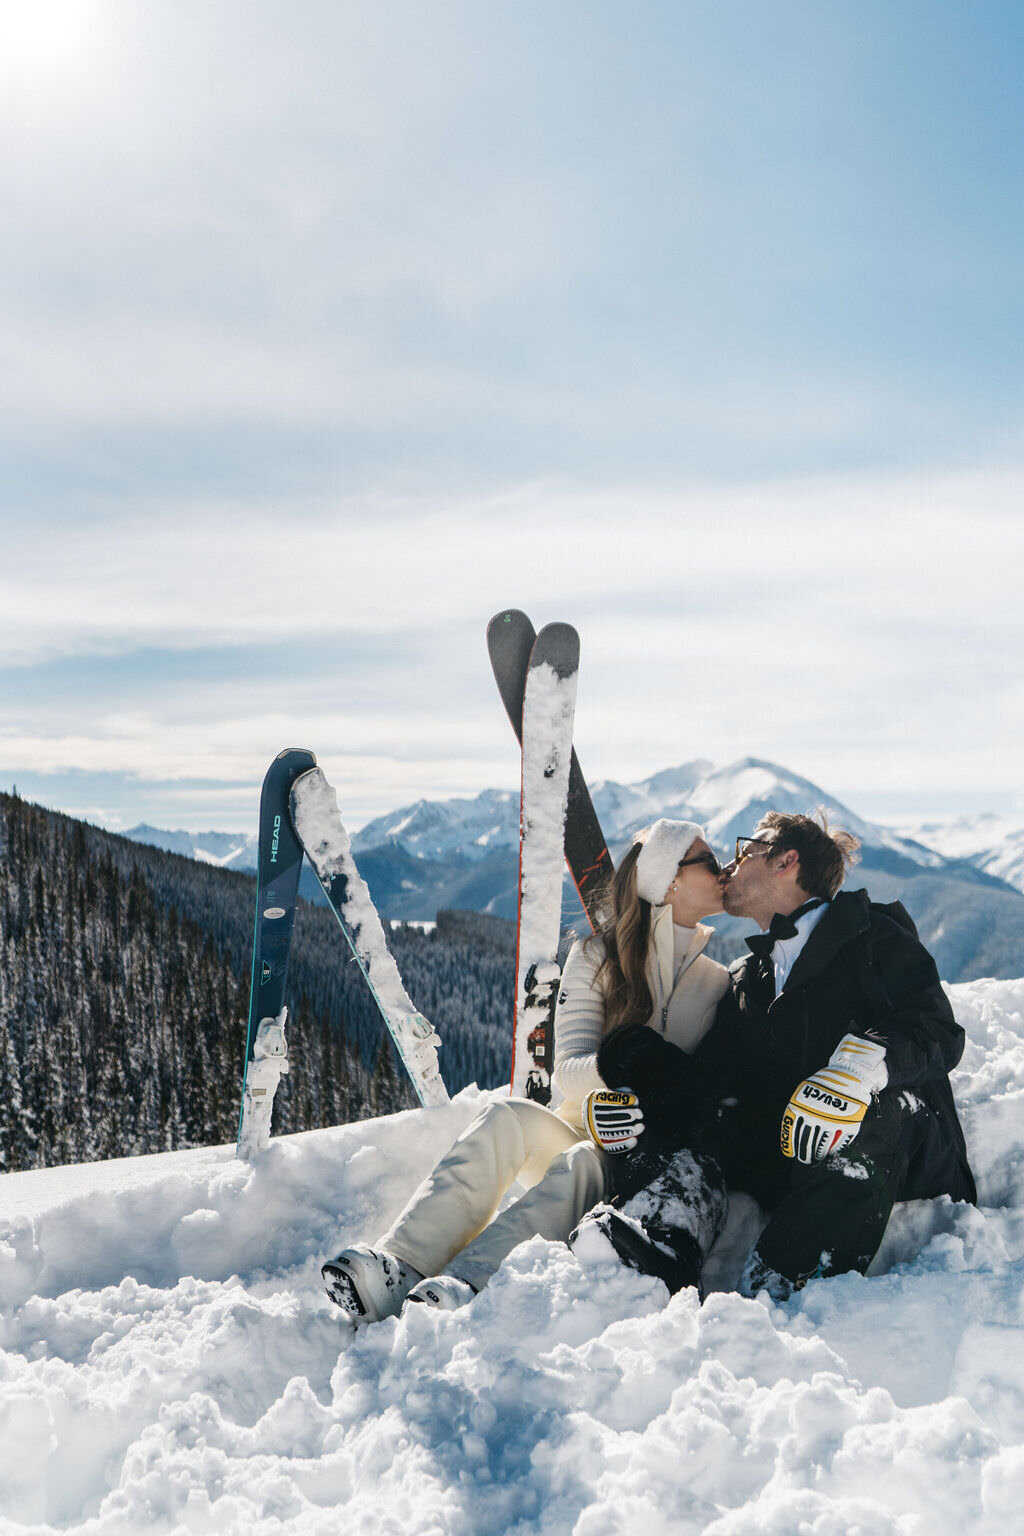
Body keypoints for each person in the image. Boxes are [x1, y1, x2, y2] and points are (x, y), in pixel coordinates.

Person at [320, 819, 728, 1323]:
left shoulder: (718, 983)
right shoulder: (598, 956)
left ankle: (470, 1281)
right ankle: (402, 1266)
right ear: (670, 880)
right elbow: (567, 1070)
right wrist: (614, 1076)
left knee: (583, 1163)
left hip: (637, 1162)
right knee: (507, 1116)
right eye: (709, 862)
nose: (724, 868)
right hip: (581, 1126)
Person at [574, 810, 977, 1300]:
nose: (729, 866)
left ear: (787, 861)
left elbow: (936, 1027)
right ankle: (660, 1241)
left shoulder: (873, 937)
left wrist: (860, 1068)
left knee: (855, 1105)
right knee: (658, 1076)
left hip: (901, 1147)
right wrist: (631, 1094)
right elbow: (707, 1089)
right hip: (790, 1153)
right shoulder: (746, 978)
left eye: (746, 851)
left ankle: (787, 1280)